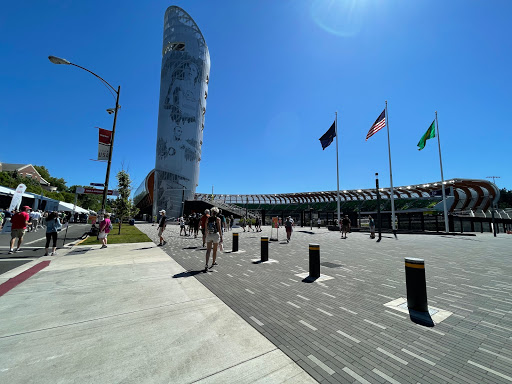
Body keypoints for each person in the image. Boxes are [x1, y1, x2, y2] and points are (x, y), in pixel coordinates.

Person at [204, 207, 222, 272]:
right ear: (217, 213)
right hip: (215, 235)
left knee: (208, 250)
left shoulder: (208, 219)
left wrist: (206, 235)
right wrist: (221, 237)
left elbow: (206, 228)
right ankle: (213, 262)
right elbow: (219, 229)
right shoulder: (218, 219)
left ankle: (206, 264)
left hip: (209, 235)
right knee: (215, 250)